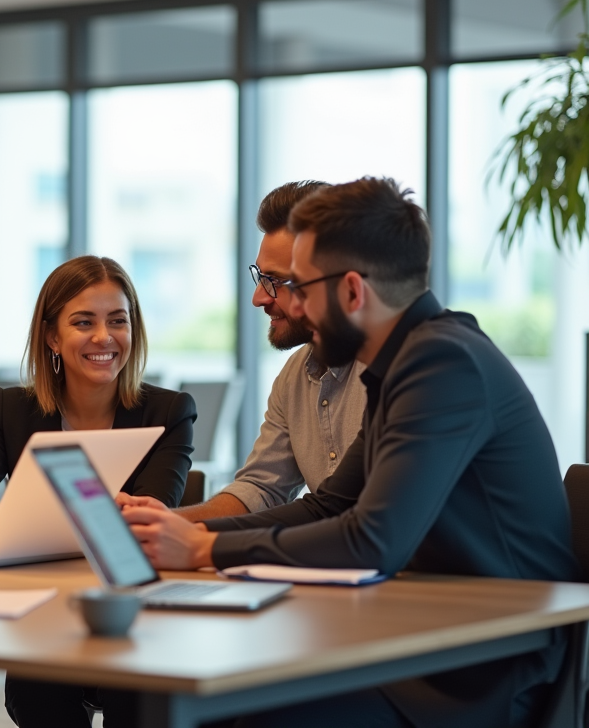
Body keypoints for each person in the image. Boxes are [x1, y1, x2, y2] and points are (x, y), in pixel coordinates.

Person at [123, 177, 579, 728]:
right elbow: (329, 505)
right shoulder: (409, 361)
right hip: (427, 638)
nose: (292, 305)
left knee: (240, 709)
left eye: (301, 289)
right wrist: (185, 535)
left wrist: (202, 551)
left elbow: (371, 541)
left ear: (353, 293)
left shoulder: (442, 365)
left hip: (488, 670)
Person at [0, 255, 196, 727]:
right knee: (38, 696)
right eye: (83, 322)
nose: (104, 337)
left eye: (118, 321)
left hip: (133, 614)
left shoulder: (170, 411)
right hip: (47, 608)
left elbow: (153, 510)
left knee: (137, 698)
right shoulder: (14, 408)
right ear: (52, 336)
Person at [167, 180, 367, 521]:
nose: (258, 297)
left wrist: (199, 540)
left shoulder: (399, 370)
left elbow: (348, 512)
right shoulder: (295, 376)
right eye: (260, 276)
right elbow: (261, 488)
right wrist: (169, 524)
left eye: (276, 281)